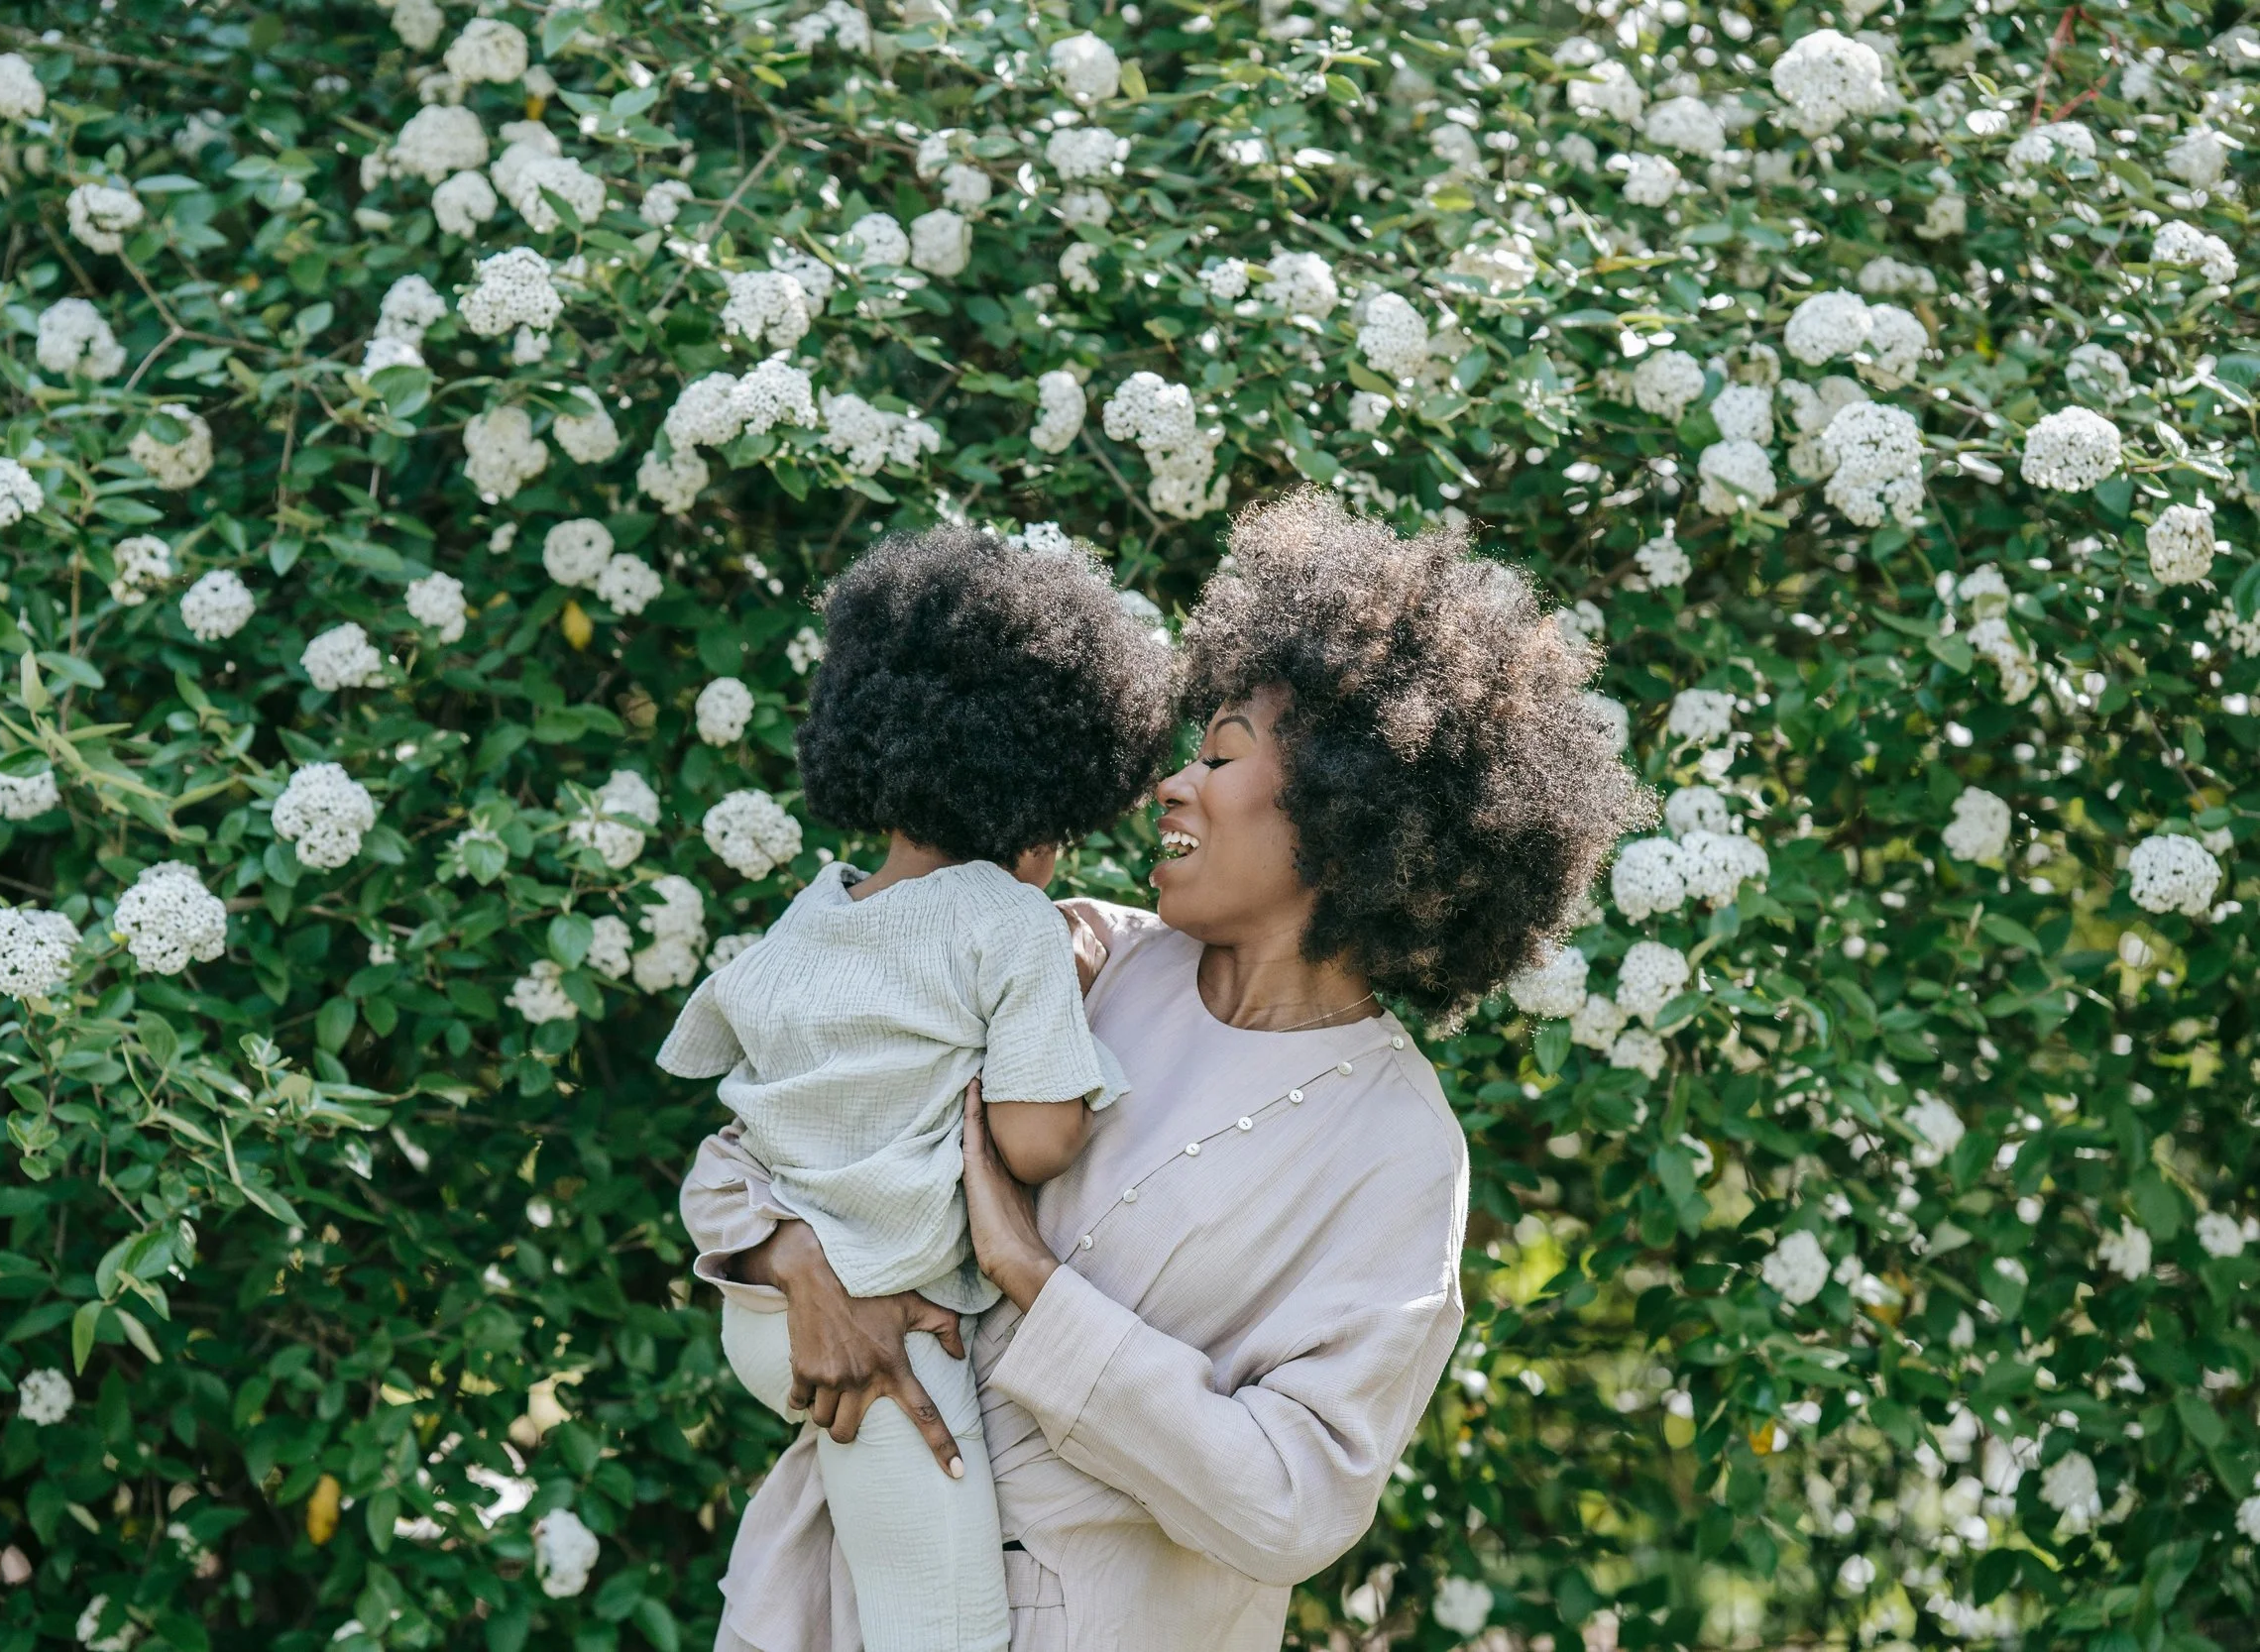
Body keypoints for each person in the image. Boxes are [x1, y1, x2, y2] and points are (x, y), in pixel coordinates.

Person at [682, 488, 1651, 1651]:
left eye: (1220, 753)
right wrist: (802, 1271)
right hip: (819, 1606)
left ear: (1352, 814)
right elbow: (770, 1132)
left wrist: (1035, 1282)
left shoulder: (1396, 1150)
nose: (1169, 786)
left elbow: (1292, 1502)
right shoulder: (1069, 953)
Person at [658, 526, 1177, 1652]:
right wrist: (1064, 1057)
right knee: (940, 1624)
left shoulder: (815, 912)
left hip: (763, 1302)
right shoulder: (1009, 921)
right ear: (1049, 803)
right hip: (888, 1325)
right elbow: (1036, 1144)